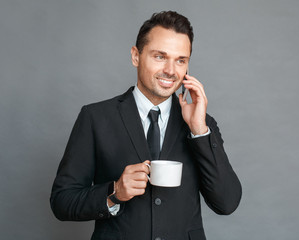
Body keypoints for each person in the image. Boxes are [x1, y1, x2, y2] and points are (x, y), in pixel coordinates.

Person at [50, 11, 241, 240]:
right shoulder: (95, 118)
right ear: (135, 56)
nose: (171, 70)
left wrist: (199, 131)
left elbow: (227, 203)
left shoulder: (202, 125)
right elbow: (62, 201)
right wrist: (114, 193)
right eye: (160, 56)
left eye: (181, 60)